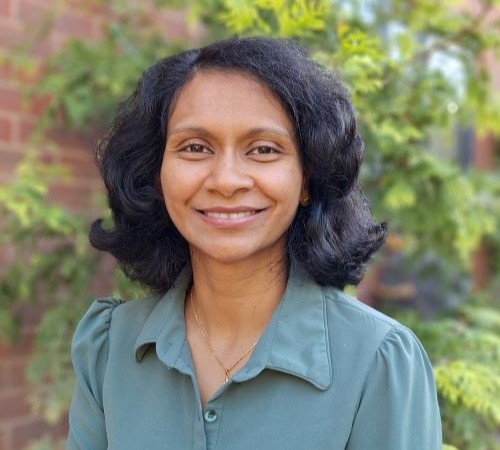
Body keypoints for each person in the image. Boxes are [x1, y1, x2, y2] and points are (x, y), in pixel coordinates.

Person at [66, 37, 442, 450]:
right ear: (156, 174)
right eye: (195, 147)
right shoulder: (109, 347)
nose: (226, 181)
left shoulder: (379, 362)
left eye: (263, 149)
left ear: (306, 178)